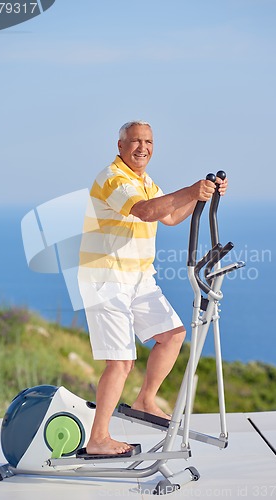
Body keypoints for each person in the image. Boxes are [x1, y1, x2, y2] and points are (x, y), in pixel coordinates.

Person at [78, 120, 227, 456]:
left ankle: (145, 400)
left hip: (138, 279)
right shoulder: (113, 177)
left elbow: (170, 216)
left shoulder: (144, 181)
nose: (142, 147)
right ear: (120, 146)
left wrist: (204, 192)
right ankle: (98, 438)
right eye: (134, 141)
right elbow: (146, 212)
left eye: (148, 141)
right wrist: (190, 191)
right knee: (120, 362)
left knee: (172, 334)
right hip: (106, 278)